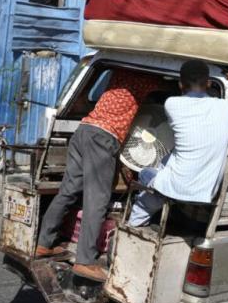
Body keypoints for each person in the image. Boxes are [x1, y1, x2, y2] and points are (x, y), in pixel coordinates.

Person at [35, 69, 161, 282]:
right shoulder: (148, 78)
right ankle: (85, 261)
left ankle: (44, 244)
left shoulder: (117, 74)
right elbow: (168, 94)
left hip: (84, 129)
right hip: (104, 137)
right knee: (97, 200)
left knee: (68, 191)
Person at [128, 60, 228, 227]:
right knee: (165, 161)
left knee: (145, 174)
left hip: (175, 187)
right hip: (206, 192)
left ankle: (134, 224)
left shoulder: (171, 104)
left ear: (180, 84)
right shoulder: (227, 108)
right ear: (209, 83)